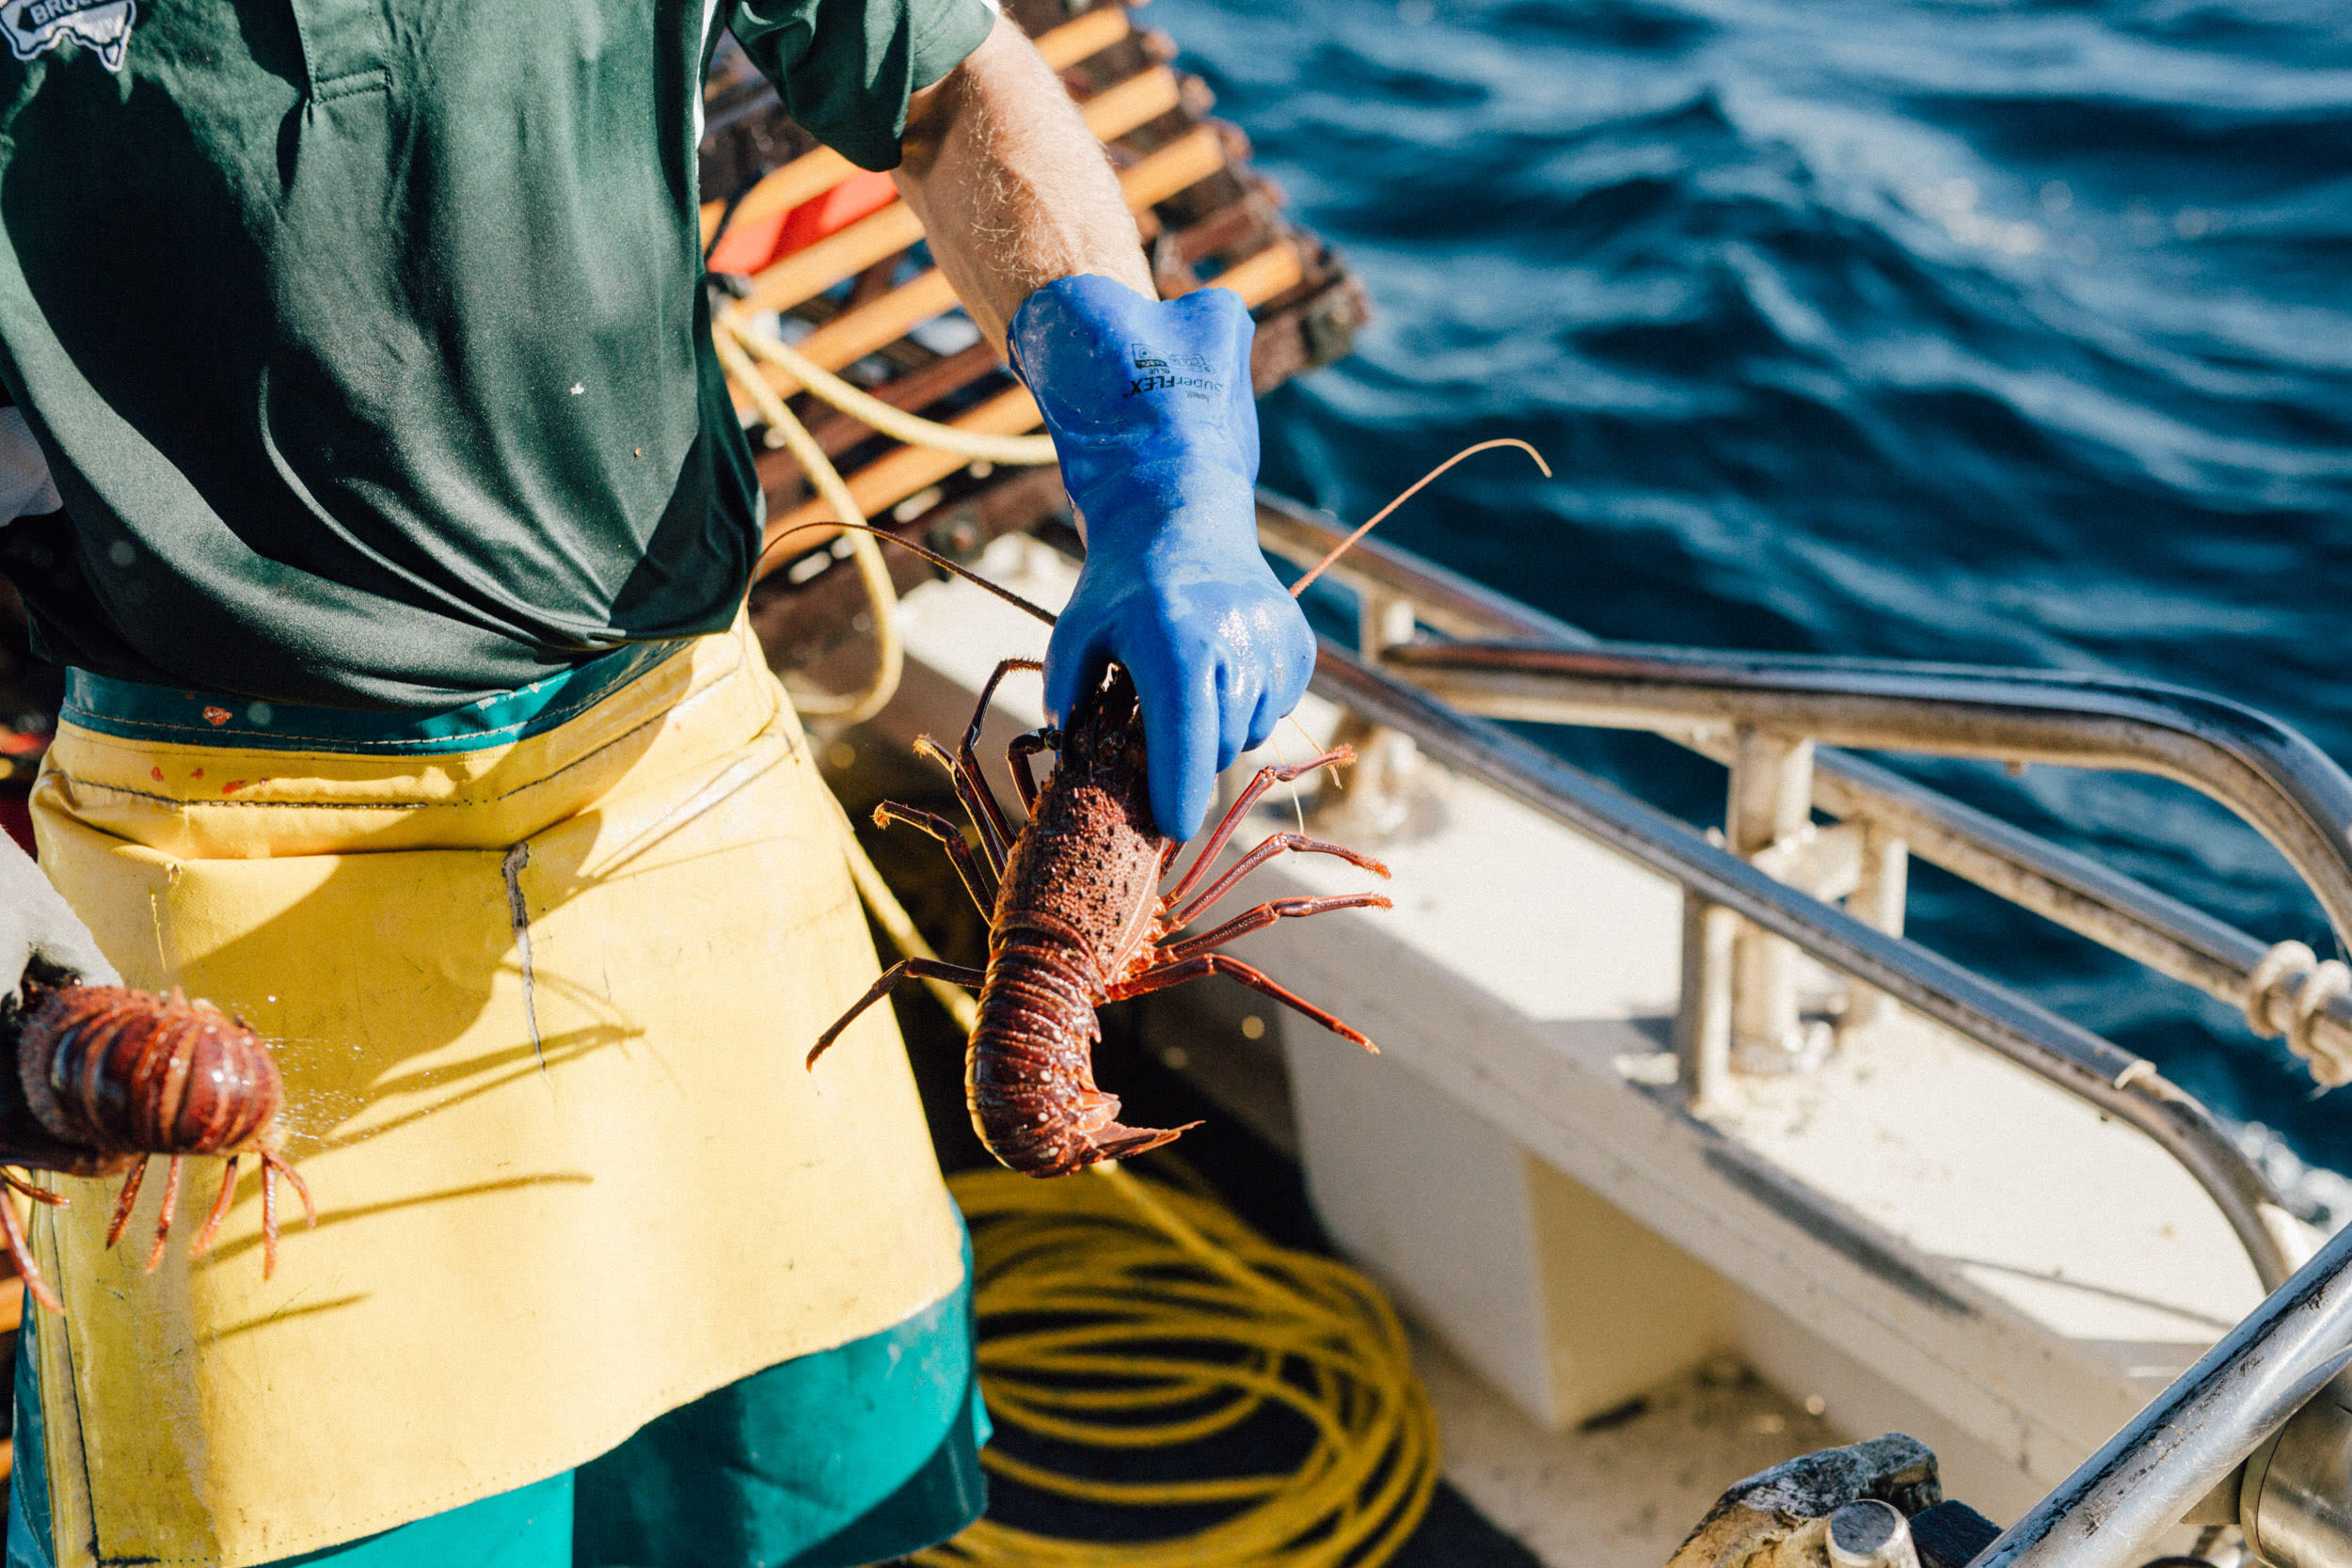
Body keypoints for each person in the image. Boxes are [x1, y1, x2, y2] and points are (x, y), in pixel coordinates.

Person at [0, 0, 1314, 1563]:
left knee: (819, 1513)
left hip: (687, 798)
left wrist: (1144, 438)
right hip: (212, 879)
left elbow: (947, 82)